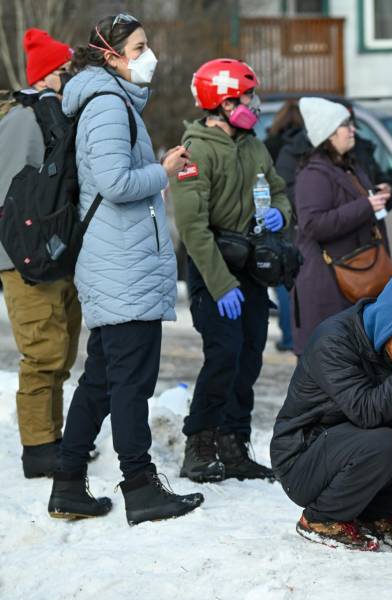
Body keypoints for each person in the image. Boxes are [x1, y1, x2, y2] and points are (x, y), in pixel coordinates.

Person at [48, 13, 203, 525]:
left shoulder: (106, 100)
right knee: (132, 382)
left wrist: (157, 166)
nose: (148, 56)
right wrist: (162, 171)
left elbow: (104, 177)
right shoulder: (109, 104)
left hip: (117, 259)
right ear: (111, 56)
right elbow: (113, 182)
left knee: (101, 380)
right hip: (121, 264)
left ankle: (68, 484)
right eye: (138, 48)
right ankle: (140, 486)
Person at [270, 270, 392, 551]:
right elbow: (365, 412)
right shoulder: (333, 341)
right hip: (304, 460)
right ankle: (321, 519)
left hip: (362, 449)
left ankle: (375, 514)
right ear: (390, 324)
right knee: (381, 440)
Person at [170, 59, 293, 484]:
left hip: (251, 268)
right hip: (214, 270)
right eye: (246, 97)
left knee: (249, 354)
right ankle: (199, 443)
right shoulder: (197, 151)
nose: (254, 105)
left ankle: (233, 442)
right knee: (222, 354)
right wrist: (219, 284)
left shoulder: (253, 145)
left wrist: (280, 212)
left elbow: (277, 188)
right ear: (221, 103)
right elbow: (192, 226)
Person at [0, 29, 82, 479]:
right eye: (66, 71)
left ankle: (54, 437)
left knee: (62, 353)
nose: (71, 78)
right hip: (23, 259)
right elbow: (11, 200)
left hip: (53, 255)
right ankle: (38, 449)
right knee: (42, 354)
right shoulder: (20, 121)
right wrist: (27, 251)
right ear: (47, 75)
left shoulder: (52, 115)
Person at [291, 97, 392, 356]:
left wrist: (377, 196)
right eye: (345, 125)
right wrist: (366, 206)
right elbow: (313, 224)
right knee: (330, 372)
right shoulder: (314, 174)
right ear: (328, 133)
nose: (353, 129)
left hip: (356, 279)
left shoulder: (350, 166)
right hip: (329, 286)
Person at [265, 99, 304, 353]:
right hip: (300, 217)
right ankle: (301, 334)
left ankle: (289, 336)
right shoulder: (307, 145)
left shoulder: (269, 144)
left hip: (276, 216)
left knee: (282, 279)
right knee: (300, 279)